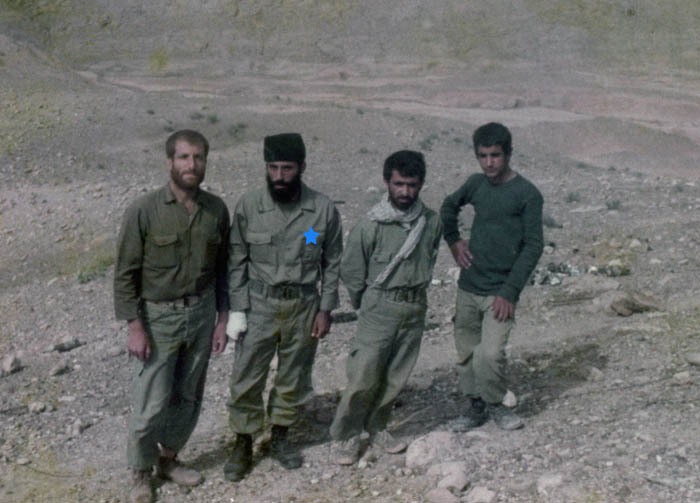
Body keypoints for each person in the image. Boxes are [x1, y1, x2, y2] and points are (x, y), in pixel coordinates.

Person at [113, 130, 230, 503]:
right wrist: (135, 327)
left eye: (198, 157)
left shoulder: (216, 210)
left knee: (188, 395)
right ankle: (140, 472)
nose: (191, 164)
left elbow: (223, 270)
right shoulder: (144, 210)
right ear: (170, 162)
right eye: (183, 157)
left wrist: (223, 320)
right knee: (151, 402)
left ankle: (168, 460)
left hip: (202, 314)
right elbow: (125, 274)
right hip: (159, 319)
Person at [224, 133, 343, 481]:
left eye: (287, 168)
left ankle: (280, 436)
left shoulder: (322, 209)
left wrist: (325, 309)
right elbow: (236, 260)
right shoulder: (249, 206)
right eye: (272, 167)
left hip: (303, 305)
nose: (278, 175)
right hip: (259, 304)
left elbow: (332, 262)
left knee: (293, 375)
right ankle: (243, 441)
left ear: (302, 167)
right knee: (247, 376)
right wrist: (237, 310)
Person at [329, 150, 443, 465]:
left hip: (414, 306)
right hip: (379, 306)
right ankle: (346, 434)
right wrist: (366, 302)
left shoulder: (431, 221)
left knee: (396, 375)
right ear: (386, 182)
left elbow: (430, 256)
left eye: (412, 185)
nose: (405, 191)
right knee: (363, 376)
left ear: (421, 184)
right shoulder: (370, 225)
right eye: (398, 184)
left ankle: (378, 427)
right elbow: (352, 270)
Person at [440, 122, 543, 431]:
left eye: (495, 155)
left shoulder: (527, 193)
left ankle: (497, 405)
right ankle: (476, 407)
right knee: (467, 352)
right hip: (469, 286)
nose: (489, 163)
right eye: (482, 156)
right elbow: (448, 207)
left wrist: (509, 291)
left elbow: (533, 245)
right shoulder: (475, 184)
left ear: (508, 154)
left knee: (491, 353)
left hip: (500, 290)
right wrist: (454, 241)